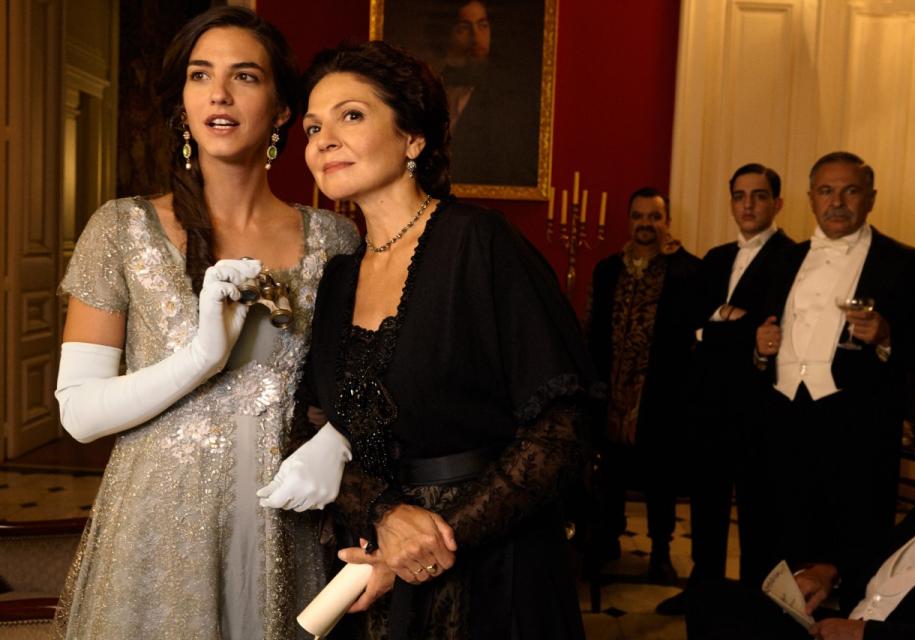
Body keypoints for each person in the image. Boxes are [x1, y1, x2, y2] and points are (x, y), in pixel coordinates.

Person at [52, 8, 358, 639]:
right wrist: (199, 359)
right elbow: (79, 415)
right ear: (183, 104)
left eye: (244, 76)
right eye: (200, 75)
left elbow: (370, 378)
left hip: (281, 524)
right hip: (157, 527)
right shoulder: (121, 229)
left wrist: (341, 437)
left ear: (281, 110)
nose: (219, 93)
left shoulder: (335, 240)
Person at [293, 41, 593, 639]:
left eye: (351, 115)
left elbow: (562, 425)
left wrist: (433, 539)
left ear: (413, 138)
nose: (324, 140)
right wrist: (384, 516)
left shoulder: (480, 243)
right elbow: (311, 426)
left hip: (496, 569)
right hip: (376, 569)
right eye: (313, 127)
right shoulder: (337, 277)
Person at [753, 151, 915, 599]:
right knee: (778, 552)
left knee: (850, 559)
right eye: (826, 191)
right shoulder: (782, 261)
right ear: (811, 198)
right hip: (781, 427)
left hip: (858, 437)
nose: (837, 202)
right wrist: (759, 347)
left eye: (850, 191)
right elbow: (761, 334)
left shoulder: (910, 265)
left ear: (871, 198)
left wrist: (888, 336)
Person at [657, 164, 795, 615]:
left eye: (759, 195)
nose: (748, 204)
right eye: (739, 196)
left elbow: (773, 328)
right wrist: (733, 323)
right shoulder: (715, 258)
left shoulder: (792, 257)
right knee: (707, 502)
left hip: (761, 405)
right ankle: (704, 590)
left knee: (758, 509)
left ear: (777, 203)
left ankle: (756, 601)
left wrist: (714, 325)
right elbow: (686, 322)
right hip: (709, 402)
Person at [685, 472, 915, 640]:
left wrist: (866, 634)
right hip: (844, 620)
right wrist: (829, 572)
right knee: (712, 598)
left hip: (891, 633)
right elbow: (887, 545)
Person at [586, 188, 701, 584]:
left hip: (661, 397)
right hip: (612, 394)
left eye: (654, 216)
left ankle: (661, 552)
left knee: (660, 480)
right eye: (639, 216)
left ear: (666, 221)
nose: (646, 224)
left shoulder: (688, 271)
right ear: (629, 220)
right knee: (610, 475)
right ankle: (607, 538)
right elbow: (592, 329)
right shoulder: (607, 270)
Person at [436, 0, 540, 186]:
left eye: (483, 26)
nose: (476, 37)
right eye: (464, 28)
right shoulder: (433, 88)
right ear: (447, 34)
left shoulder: (508, 96)